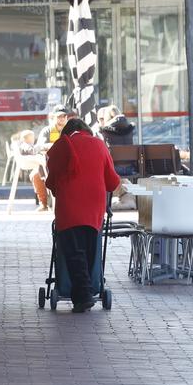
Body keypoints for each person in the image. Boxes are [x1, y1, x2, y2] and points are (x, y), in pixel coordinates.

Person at [45, 118, 120, 313]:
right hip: (94, 206)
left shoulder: (60, 147)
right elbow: (112, 182)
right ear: (85, 130)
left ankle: (83, 296)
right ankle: (86, 292)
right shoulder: (100, 145)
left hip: (69, 205)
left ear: (67, 132)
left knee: (74, 250)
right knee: (89, 249)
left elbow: (51, 183)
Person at [18, 130, 49, 212]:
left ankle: (44, 203)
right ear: (26, 139)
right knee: (36, 175)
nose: (33, 139)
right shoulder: (25, 145)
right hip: (40, 167)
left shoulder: (26, 145)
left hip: (39, 167)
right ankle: (44, 203)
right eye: (32, 137)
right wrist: (41, 148)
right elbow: (33, 151)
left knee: (35, 174)